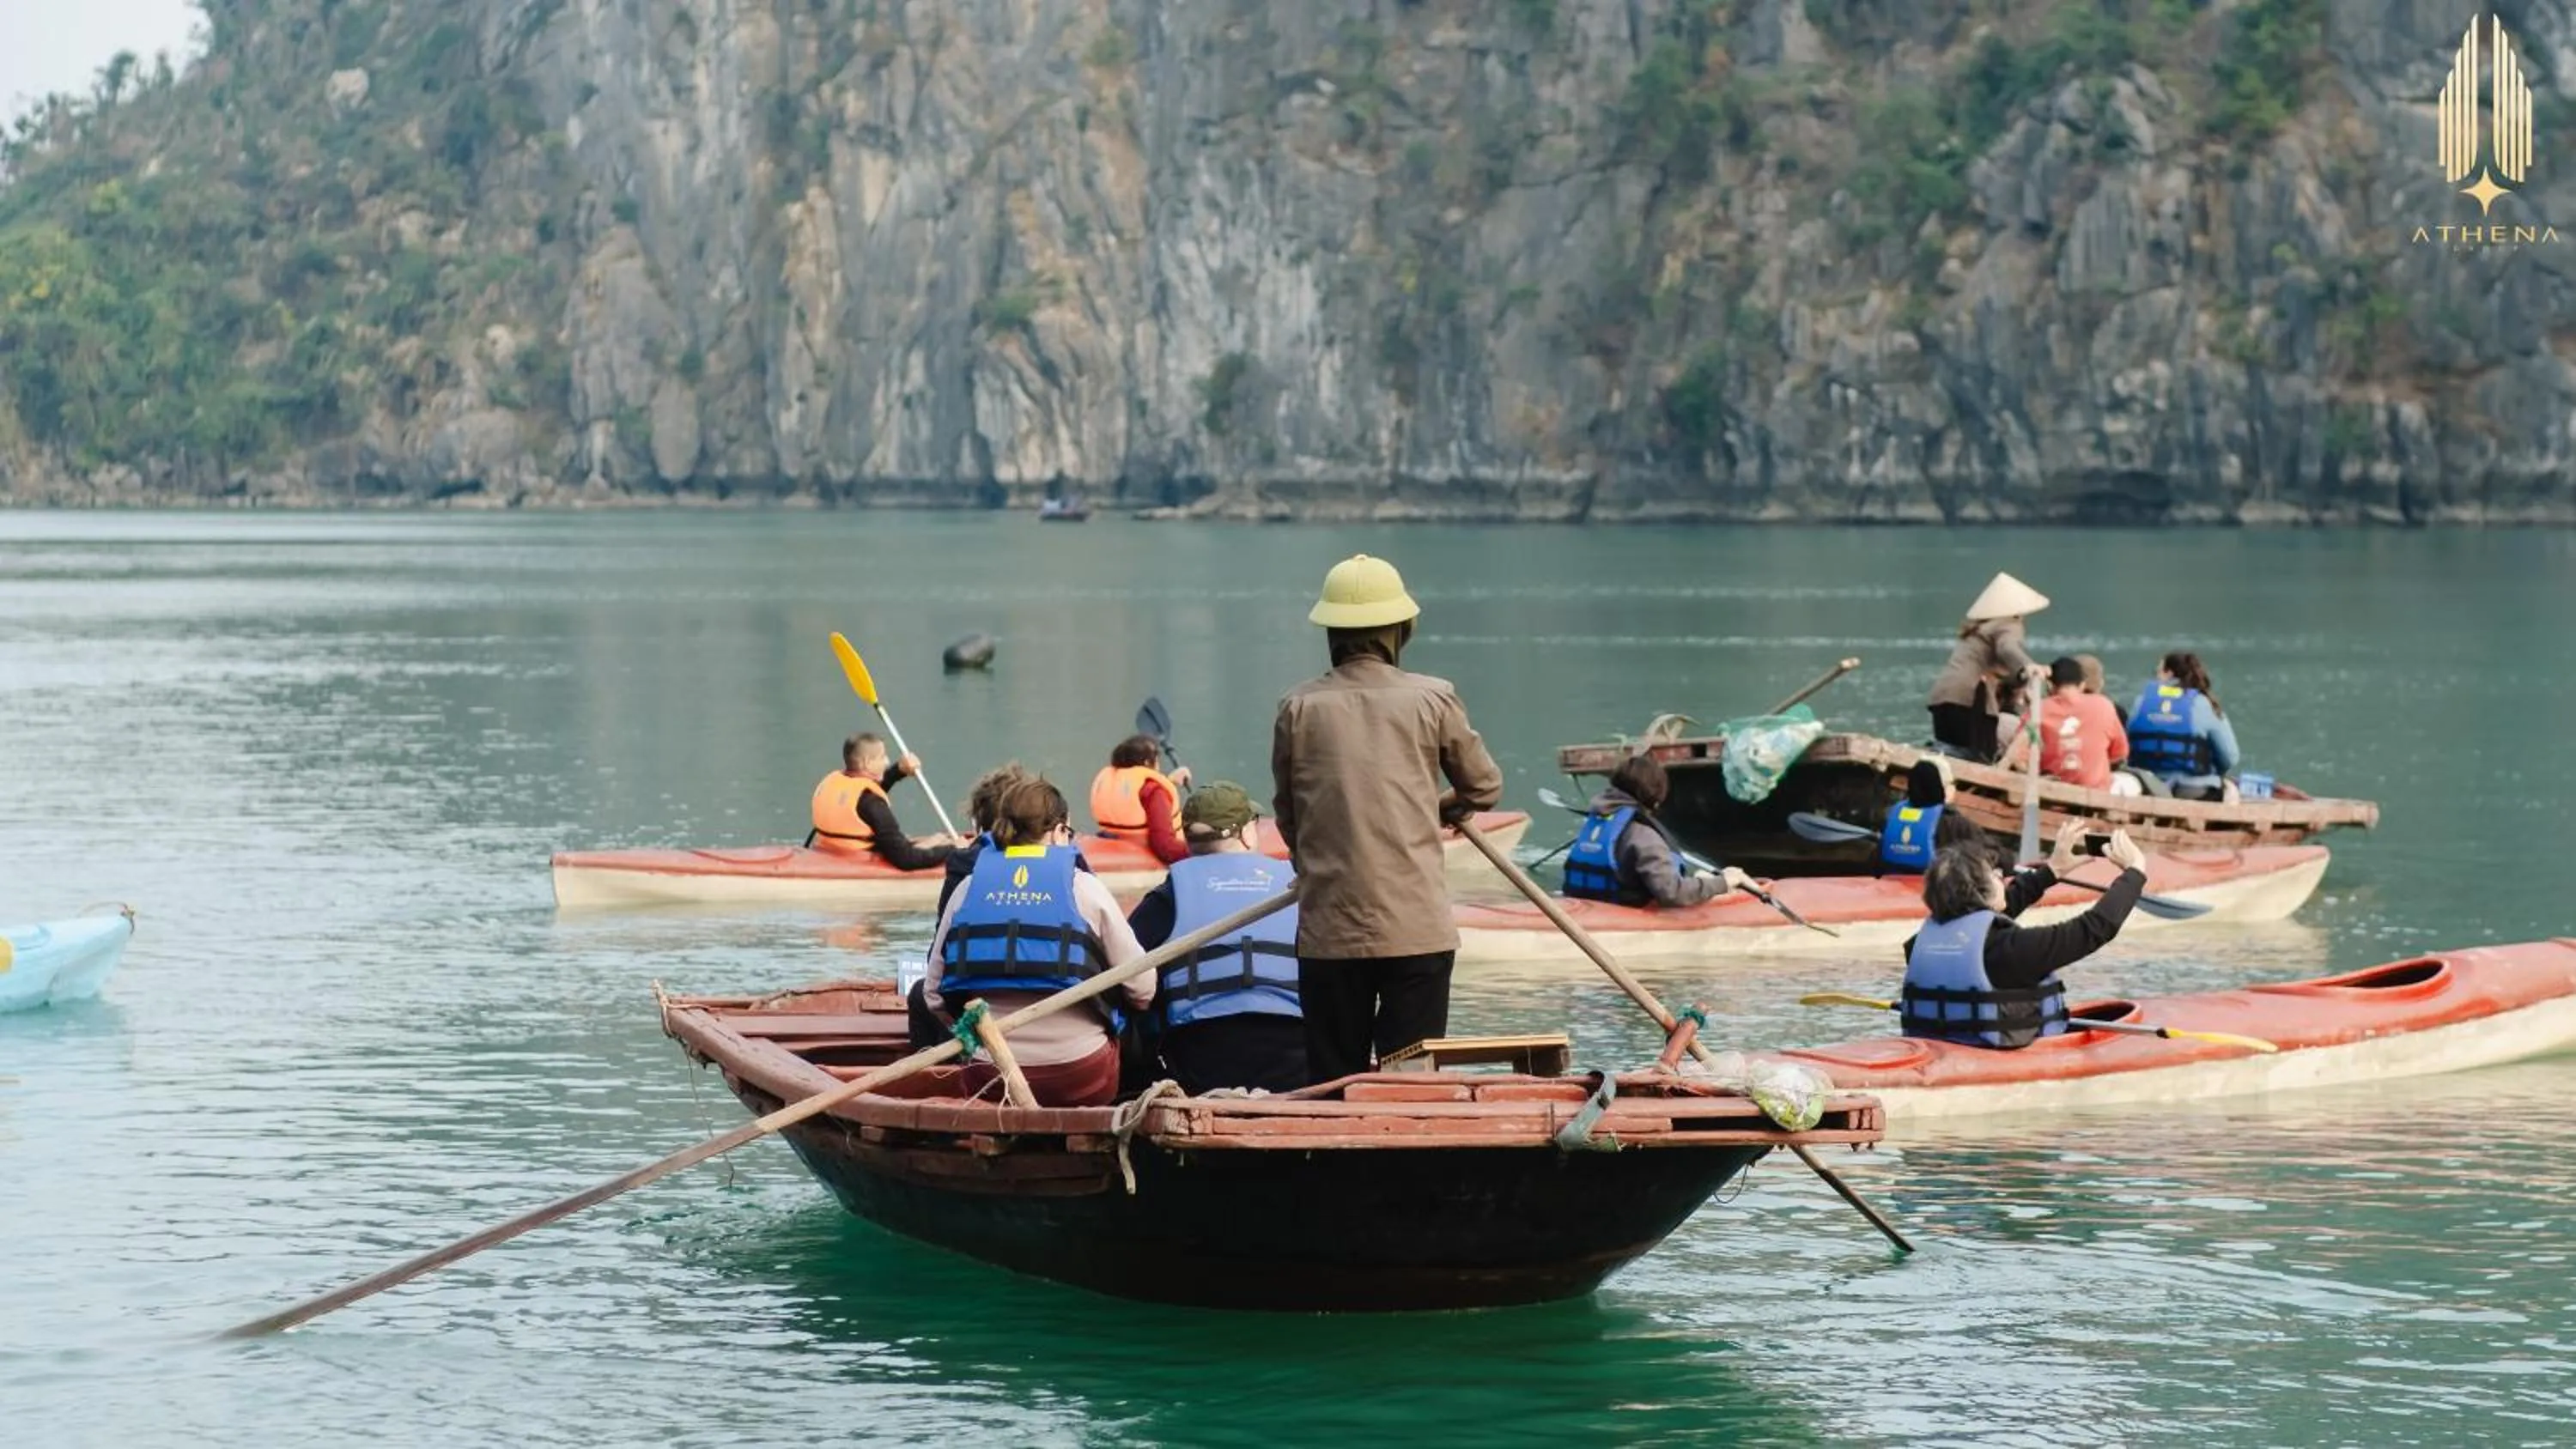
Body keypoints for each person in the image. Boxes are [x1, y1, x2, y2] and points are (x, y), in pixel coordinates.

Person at [1273, 553, 1504, 1084]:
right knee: (1412, 1083)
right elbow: (1484, 786)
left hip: (1330, 931)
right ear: (1400, 631)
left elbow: (1290, 817)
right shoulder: (1432, 697)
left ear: (1332, 632)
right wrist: (1436, 808)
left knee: (1333, 1080)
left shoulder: (1298, 707)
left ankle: (1336, 1162)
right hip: (1415, 930)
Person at [924, 778, 1151, 1106]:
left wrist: (973, 1037)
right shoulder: (1085, 888)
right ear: (1059, 832)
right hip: (1080, 1074)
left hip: (990, 1075)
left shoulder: (966, 888)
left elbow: (933, 996)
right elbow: (1143, 988)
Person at [1899, 821, 2150, 1048]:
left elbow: (1985, 913)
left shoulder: (1918, 944)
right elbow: (2094, 929)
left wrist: (2051, 871)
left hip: (1938, 1045)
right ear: (1981, 891)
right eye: (1996, 876)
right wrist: (2135, 873)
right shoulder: (2013, 950)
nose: (2003, 881)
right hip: (1991, 1060)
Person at [1127, 782, 1305, 1094]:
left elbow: (1125, 974)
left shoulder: (1168, 897)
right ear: (1246, 833)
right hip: (1294, 1057)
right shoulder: (1295, 887)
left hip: (1202, 1062)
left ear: (1188, 838)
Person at [1562, 754, 1755, 908]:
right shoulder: (1644, 836)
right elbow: (1673, 894)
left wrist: (1706, 882)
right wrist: (1723, 883)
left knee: (1700, 877)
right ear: (1656, 794)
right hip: (1624, 912)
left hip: (1590, 906)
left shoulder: (1598, 820)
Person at [1926, 572, 2049, 764]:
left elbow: (1999, 670)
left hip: (1943, 698)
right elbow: (2007, 647)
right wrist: (2029, 666)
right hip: (1969, 701)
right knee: (1981, 757)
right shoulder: (2008, 624)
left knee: (1950, 751)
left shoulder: (1977, 630)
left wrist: (2020, 676)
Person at [811, 732, 963, 870]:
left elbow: (863, 798)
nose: (886, 761)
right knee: (944, 844)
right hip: (860, 861)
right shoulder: (873, 803)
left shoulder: (832, 782)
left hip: (829, 850)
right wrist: (954, 850)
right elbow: (905, 860)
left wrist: (899, 770)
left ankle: (941, 842)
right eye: (882, 757)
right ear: (867, 762)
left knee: (939, 839)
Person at [2124, 652, 2240, 800]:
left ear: (2169, 673)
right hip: (2195, 790)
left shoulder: (2140, 702)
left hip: (2148, 787)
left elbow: (2126, 744)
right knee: (2231, 790)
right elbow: (2230, 757)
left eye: (2157, 672)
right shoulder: (2203, 703)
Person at [2004, 657, 2131, 791]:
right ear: (2082, 685)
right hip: (2096, 792)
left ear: (2050, 686)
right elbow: (2120, 753)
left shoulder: (2039, 709)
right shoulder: (2104, 705)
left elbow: (2018, 756)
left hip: (2053, 792)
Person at [1090, 734, 1193, 864]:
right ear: (1147, 763)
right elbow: (1166, 847)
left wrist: (1169, 781)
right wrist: (1203, 850)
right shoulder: (1154, 792)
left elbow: (1138, 800)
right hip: (1148, 861)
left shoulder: (1116, 781)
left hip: (1119, 848)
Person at [1877, 756, 1989, 872]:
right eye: (1951, 783)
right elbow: (1988, 852)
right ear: (1941, 787)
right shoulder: (1957, 825)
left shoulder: (1891, 817)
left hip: (1892, 883)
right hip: (1933, 886)